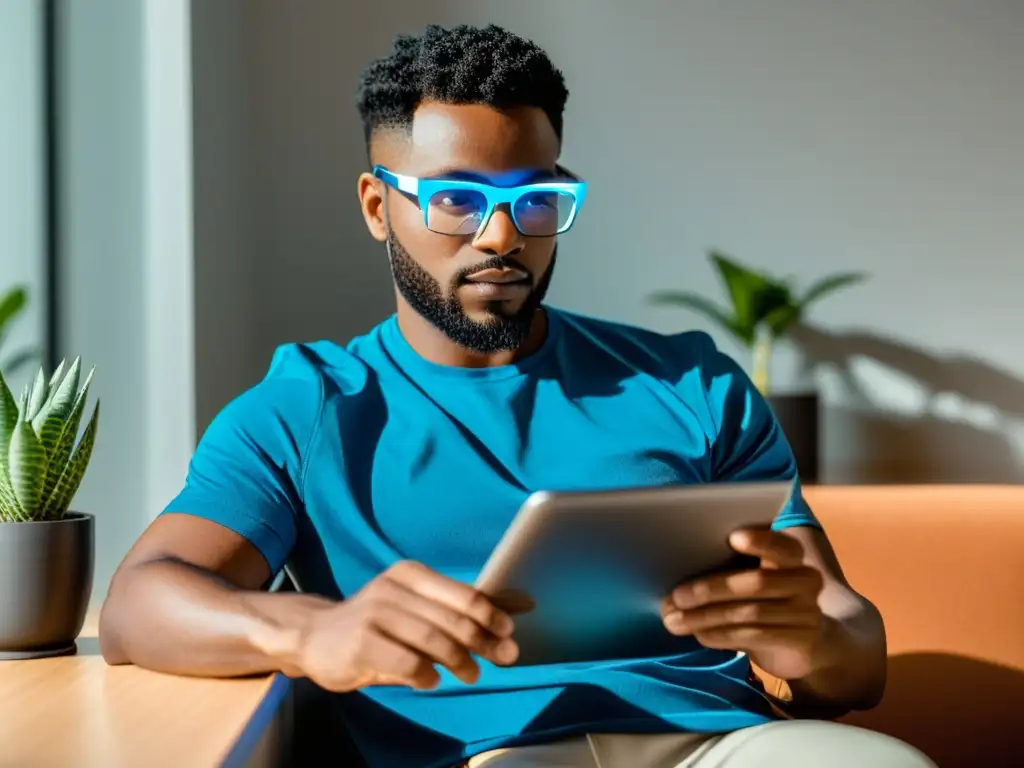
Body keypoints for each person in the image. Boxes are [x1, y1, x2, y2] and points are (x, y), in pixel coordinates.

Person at [99, 23, 935, 768]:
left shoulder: (694, 384)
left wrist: (807, 640)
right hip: (490, 754)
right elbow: (140, 603)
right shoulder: (307, 408)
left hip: (724, 743)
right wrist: (314, 633)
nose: (502, 235)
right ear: (376, 207)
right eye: (456, 200)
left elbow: (858, 661)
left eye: (535, 200)